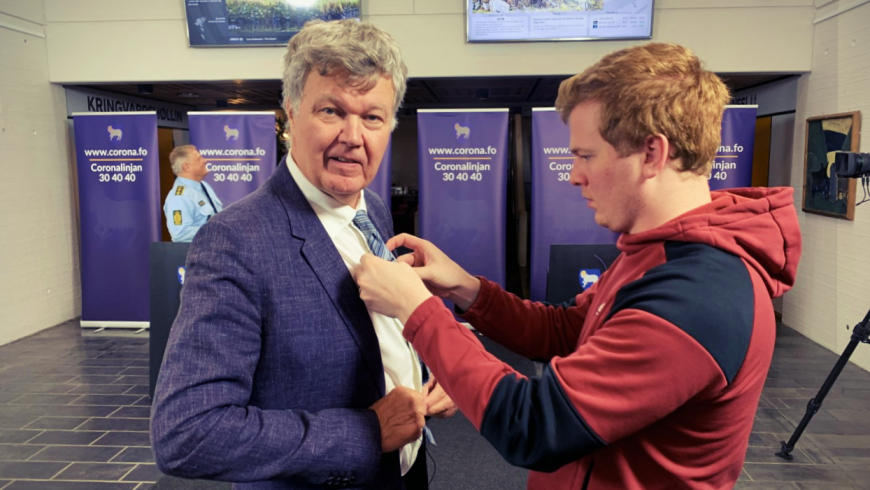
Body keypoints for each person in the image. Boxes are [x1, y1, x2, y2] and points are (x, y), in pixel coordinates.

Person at [353, 42, 802, 489]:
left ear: (652, 154)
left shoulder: (698, 295)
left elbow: (532, 426)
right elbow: (564, 330)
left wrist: (417, 309)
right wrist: (466, 287)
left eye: (586, 155)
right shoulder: (658, 253)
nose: (573, 175)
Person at [151, 20, 455, 490]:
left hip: (404, 472)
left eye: (373, 118)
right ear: (291, 114)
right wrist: (367, 432)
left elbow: (377, 334)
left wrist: (429, 370)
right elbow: (187, 433)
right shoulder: (235, 240)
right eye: (332, 111)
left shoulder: (372, 208)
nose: (354, 136)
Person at [163, 145, 223, 242]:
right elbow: (181, 234)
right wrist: (216, 231)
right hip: (200, 250)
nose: (205, 160)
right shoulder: (179, 197)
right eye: (199, 159)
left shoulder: (204, 186)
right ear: (187, 167)